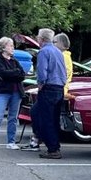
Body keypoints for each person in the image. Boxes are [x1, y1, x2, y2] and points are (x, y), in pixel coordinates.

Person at [0, 37, 24, 151]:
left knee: (13, 118)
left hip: (16, 92)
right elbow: (1, 73)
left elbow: (22, 74)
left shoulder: (14, 61)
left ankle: (11, 141)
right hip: (2, 92)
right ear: (3, 47)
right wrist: (14, 73)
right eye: (10, 45)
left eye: (12, 46)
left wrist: (11, 74)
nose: (12, 48)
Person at [33, 27, 66, 158]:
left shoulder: (43, 52)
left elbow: (42, 71)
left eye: (38, 36)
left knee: (46, 119)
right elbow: (63, 70)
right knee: (54, 119)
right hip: (59, 87)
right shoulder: (58, 52)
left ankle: (52, 149)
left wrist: (40, 84)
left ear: (41, 39)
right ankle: (55, 145)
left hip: (49, 87)